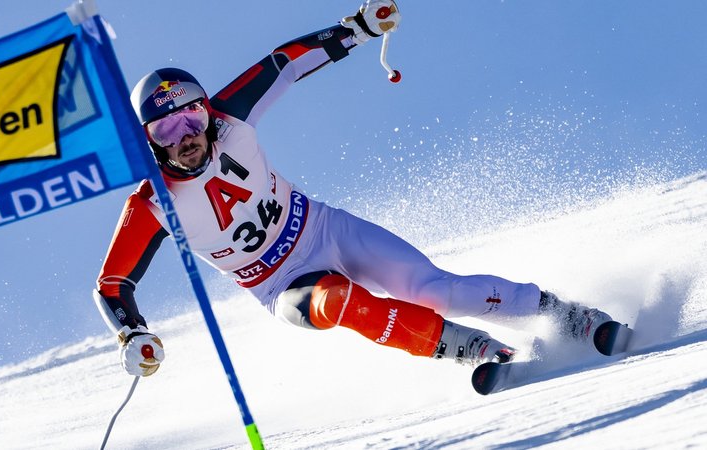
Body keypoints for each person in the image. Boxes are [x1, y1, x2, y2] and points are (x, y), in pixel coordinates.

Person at [93, 0, 613, 377]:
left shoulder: (231, 118)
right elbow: (112, 285)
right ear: (148, 140)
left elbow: (284, 65)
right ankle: (475, 350)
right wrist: (132, 333)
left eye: (191, 118)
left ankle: (567, 317)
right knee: (340, 300)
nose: (185, 137)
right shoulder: (153, 202)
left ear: (207, 112)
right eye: (165, 130)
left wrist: (359, 28)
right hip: (282, 283)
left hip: (324, 229)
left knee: (435, 290)